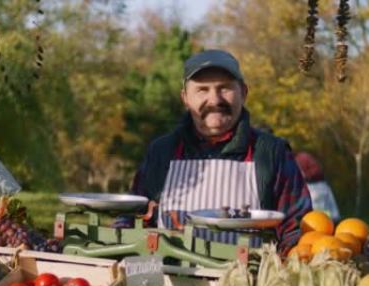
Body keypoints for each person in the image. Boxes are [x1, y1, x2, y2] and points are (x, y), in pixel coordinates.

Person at [128, 49, 311, 253]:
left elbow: (297, 229)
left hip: (249, 282)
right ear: (185, 98)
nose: (214, 100)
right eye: (202, 90)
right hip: (168, 282)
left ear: (244, 93)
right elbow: (131, 220)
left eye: (224, 88)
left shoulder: (270, 153)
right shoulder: (161, 153)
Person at [294, 151, 341, 223]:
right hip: (321, 187)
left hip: (314, 188)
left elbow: (305, 174)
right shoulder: (303, 157)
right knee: (327, 216)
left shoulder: (300, 158)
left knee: (319, 218)